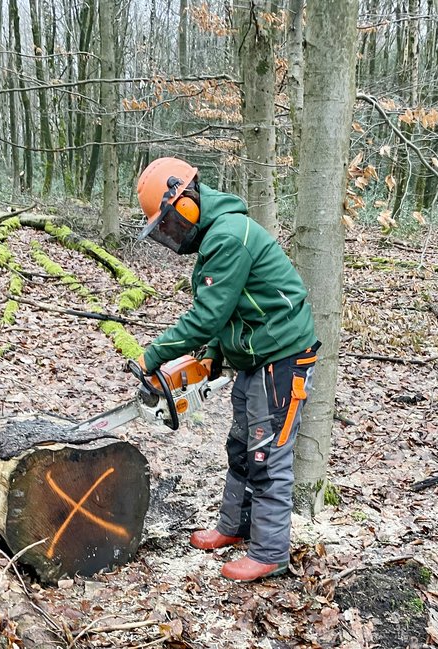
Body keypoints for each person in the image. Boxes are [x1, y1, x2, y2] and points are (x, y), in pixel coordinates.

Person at [134, 157, 320, 582]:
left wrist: (153, 356)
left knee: (267, 453)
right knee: (242, 445)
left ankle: (271, 552)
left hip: (282, 356)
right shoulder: (219, 235)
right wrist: (213, 356)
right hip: (255, 353)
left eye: (167, 223)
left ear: (185, 205)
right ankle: (234, 527)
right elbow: (234, 309)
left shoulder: (228, 237)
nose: (169, 233)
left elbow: (207, 316)